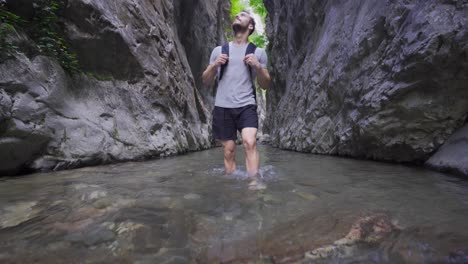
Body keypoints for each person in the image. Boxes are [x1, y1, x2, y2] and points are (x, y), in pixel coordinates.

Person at [202, 10, 271, 186]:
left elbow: (265, 84)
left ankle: (254, 185)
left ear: (250, 26)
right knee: (229, 151)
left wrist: (258, 66)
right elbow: (206, 81)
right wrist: (215, 65)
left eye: (242, 15)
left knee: (249, 142)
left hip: (246, 104)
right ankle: (232, 189)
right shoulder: (219, 51)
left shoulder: (258, 53)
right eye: (236, 15)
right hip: (223, 106)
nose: (237, 16)